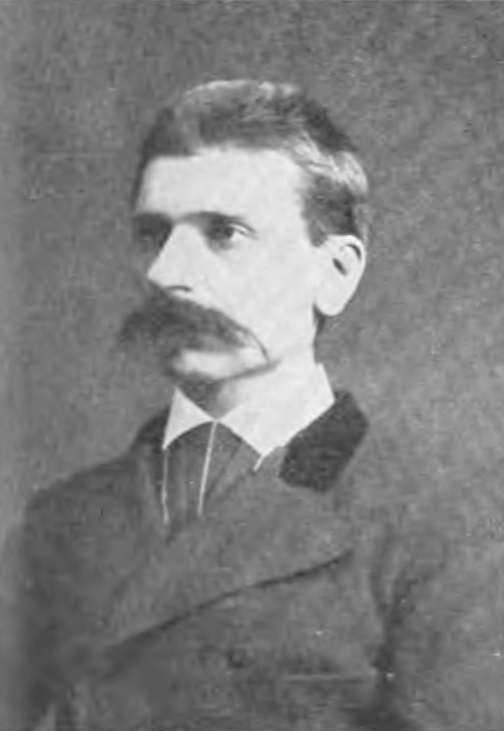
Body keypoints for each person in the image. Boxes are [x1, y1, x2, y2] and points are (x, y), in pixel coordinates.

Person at [1, 79, 503, 731]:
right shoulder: (58, 523)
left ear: (336, 273)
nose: (168, 273)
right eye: (154, 234)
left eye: (225, 233)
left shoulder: (439, 525)